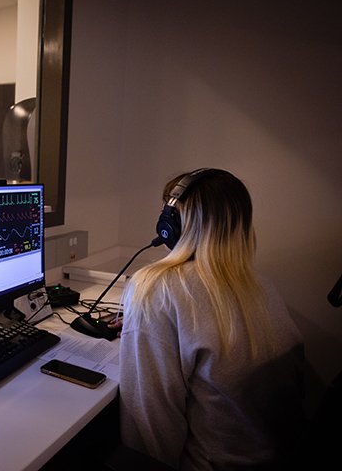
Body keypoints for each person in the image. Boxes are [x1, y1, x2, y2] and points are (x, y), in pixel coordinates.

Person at [115, 168, 305, 470]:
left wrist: (147, 318)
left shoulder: (156, 287)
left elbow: (150, 420)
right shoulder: (259, 284)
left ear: (172, 225)